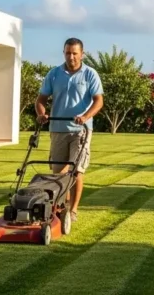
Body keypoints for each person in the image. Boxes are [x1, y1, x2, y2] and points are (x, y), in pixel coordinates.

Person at [35, 37, 103, 222]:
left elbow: (99, 101)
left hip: (81, 130)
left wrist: (86, 116)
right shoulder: (54, 74)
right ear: (63, 53)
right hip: (58, 128)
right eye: (67, 53)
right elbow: (41, 100)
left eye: (74, 53)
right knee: (58, 172)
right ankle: (60, 208)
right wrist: (42, 114)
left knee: (76, 170)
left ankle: (72, 211)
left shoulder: (90, 74)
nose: (71, 57)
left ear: (82, 54)